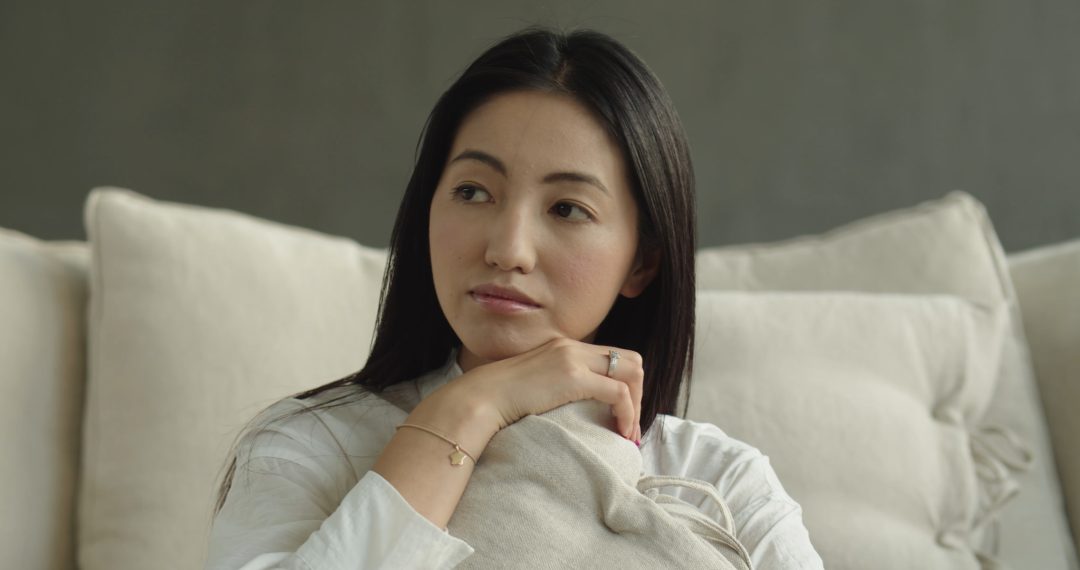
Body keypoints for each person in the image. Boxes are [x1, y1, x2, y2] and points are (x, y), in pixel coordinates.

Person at [205, 26, 824, 569]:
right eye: (474, 192)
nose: (509, 249)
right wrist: (467, 410)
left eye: (567, 208)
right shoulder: (313, 446)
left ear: (641, 263)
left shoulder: (716, 480)